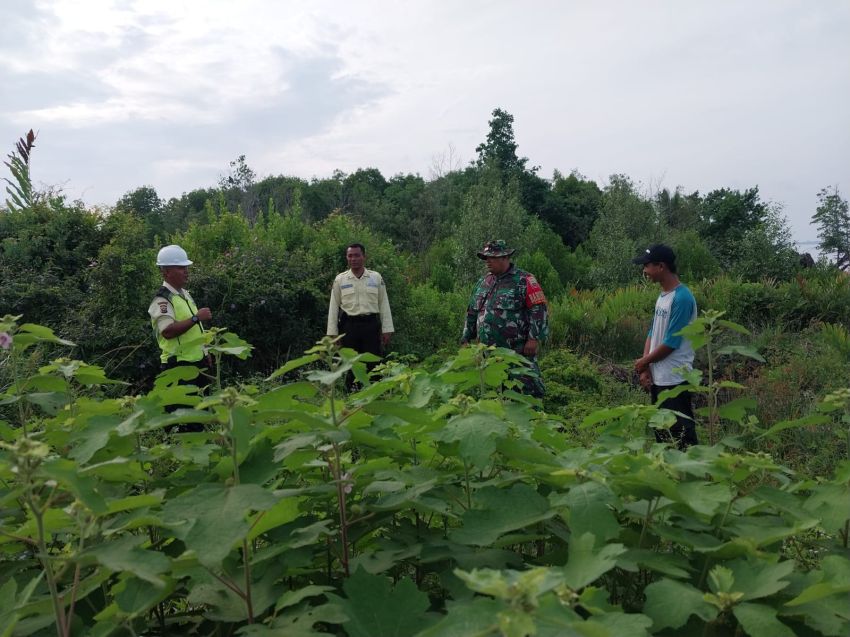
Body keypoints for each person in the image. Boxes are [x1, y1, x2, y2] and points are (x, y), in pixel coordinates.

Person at [461, 240, 548, 397]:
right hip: (488, 353)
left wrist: (534, 338)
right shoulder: (483, 282)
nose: (488, 261)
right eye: (486, 258)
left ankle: (535, 419)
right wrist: (466, 337)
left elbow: (538, 309)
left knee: (527, 391)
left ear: (505, 257)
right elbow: (472, 311)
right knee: (495, 394)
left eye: (492, 258)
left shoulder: (524, 280)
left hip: (517, 351)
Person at [632, 243, 699, 449]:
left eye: (647, 266)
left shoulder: (682, 298)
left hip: (675, 378)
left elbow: (671, 342)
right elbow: (653, 333)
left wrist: (644, 362)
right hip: (659, 376)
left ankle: (693, 475)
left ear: (661, 266)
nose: (644, 271)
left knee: (682, 435)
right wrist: (645, 368)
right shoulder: (662, 296)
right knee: (662, 434)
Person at [148, 245, 213, 427]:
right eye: (181, 268)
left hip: (196, 365)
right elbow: (167, 331)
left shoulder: (184, 294)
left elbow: (194, 331)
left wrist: (205, 352)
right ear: (167, 272)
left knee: (201, 417)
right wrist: (196, 317)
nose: (186, 271)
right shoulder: (162, 299)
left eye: (186, 267)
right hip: (178, 366)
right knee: (183, 421)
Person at [326, 243, 394, 359]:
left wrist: (387, 329)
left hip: (370, 326)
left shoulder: (376, 278)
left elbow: (384, 304)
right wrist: (333, 333)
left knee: (373, 363)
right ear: (347, 258)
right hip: (349, 327)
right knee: (351, 365)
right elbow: (333, 307)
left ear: (364, 257)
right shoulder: (340, 280)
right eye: (350, 256)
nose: (353, 259)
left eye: (357, 255)